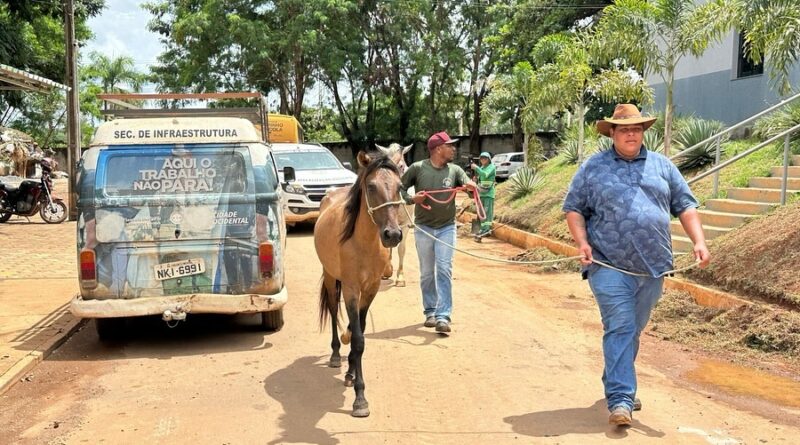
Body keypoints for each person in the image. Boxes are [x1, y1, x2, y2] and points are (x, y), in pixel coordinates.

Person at [562, 104, 711, 427]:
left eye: (637, 129)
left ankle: (617, 377)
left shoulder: (662, 166)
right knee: (621, 326)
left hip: (653, 266)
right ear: (612, 133)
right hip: (608, 263)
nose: (631, 134)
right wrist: (582, 242)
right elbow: (574, 208)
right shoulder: (593, 167)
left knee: (632, 329)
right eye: (624, 129)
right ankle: (621, 399)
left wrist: (699, 241)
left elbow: (685, 205)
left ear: (644, 133)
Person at [401, 131, 477, 334]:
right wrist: (411, 199)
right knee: (427, 273)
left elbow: (469, 186)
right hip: (423, 228)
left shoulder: (455, 170)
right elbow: (399, 188)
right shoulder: (417, 168)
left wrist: (471, 186)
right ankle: (430, 312)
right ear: (437, 149)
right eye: (449, 146)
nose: (453, 149)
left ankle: (443, 316)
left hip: (446, 227)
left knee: (444, 269)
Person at [470, 151, 496, 238]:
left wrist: (476, 168)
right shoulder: (482, 167)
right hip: (481, 193)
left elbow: (485, 174)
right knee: (481, 212)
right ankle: (482, 228)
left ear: (489, 159)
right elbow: (481, 179)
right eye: (481, 158)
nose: (483, 160)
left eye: (485, 158)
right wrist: (475, 180)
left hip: (488, 194)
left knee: (487, 212)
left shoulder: (491, 167)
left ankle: (487, 229)